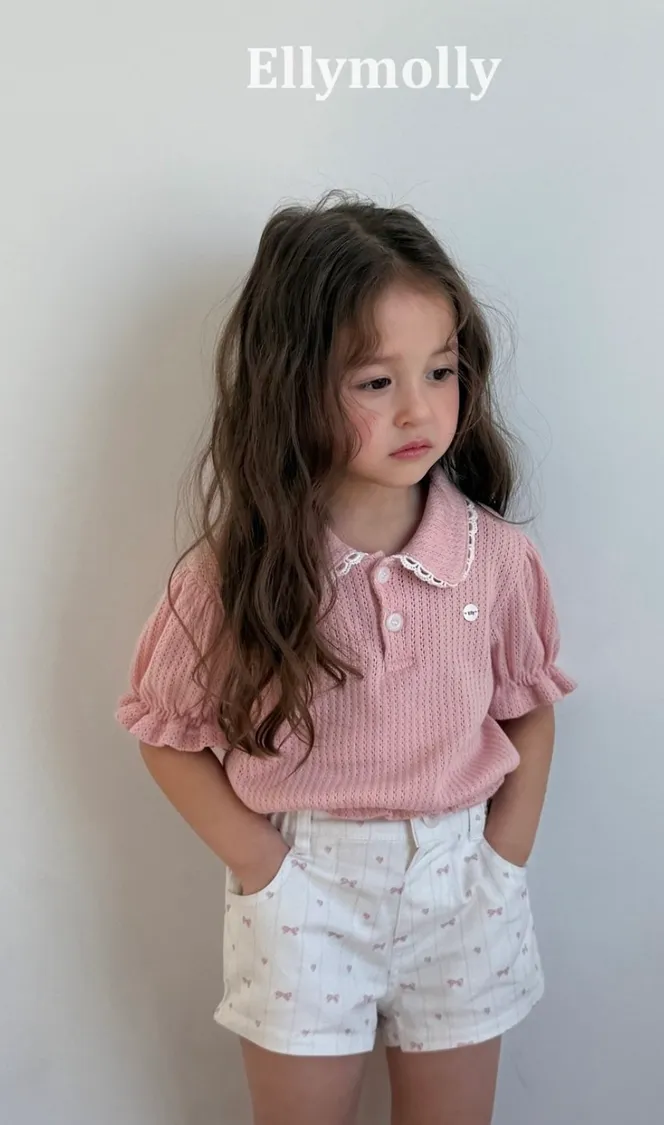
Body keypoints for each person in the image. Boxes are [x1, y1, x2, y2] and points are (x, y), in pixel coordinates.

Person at [115, 189, 577, 1125]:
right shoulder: (237, 574)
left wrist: (503, 859)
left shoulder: (496, 559)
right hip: (306, 894)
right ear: (294, 385)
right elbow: (165, 733)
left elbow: (528, 704)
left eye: (440, 371)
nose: (419, 409)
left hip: (462, 887)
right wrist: (265, 867)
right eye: (375, 382)